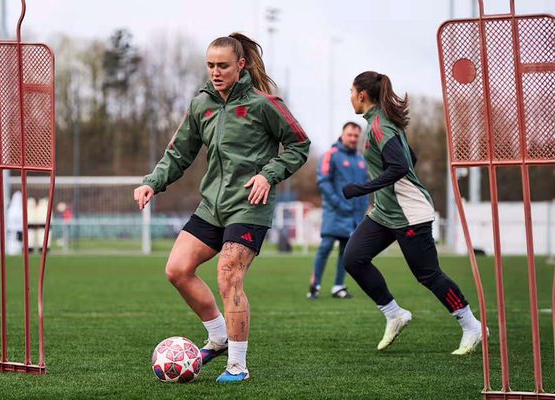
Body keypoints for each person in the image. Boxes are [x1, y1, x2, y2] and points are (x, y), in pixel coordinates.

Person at [133, 33, 310, 382]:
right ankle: (217, 336)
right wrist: (152, 181)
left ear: (240, 65)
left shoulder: (264, 104)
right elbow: (179, 152)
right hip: (212, 204)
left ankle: (238, 366)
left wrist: (268, 175)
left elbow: (299, 144)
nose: (215, 72)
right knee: (177, 270)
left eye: (223, 65)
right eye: (211, 65)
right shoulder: (201, 105)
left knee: (228, 273)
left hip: (249, 206)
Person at [341, 71, 483, 355]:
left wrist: (363, 188)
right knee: (354, 258)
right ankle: (395, 314)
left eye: (351, 91)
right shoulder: (378, 124)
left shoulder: (380, 126)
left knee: (428, 275)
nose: (350, 97)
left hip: (410, 214)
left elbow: (400, 167)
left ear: (362, 95)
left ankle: (472, 326)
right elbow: (410, 158)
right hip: (384, 213)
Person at [307, 122, 368, 300]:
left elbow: (366, 186)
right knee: (325, 247)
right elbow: (323, 181)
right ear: (342, 135)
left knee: (347, 251)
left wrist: (363, 206)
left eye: (356, 136)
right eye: (350, 135)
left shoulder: (361, 160)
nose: (353, 139)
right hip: (335, 212)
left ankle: (338, 287)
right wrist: (337, 202)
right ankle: (314, 285)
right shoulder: (331, 155)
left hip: (355, 215)